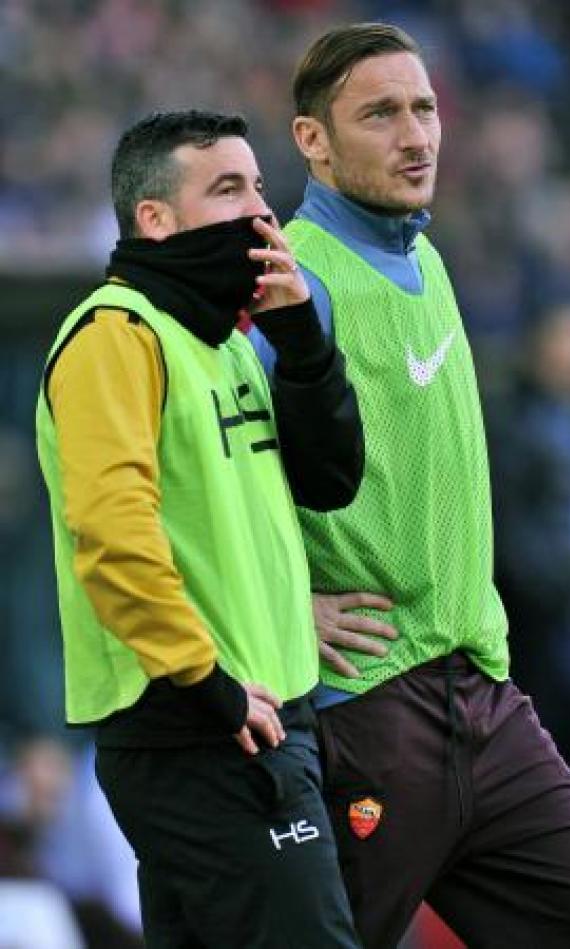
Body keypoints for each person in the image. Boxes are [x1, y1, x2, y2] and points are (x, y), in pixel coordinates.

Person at [250, 22, 570, 949]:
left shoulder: (428, 256)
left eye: (425, 109)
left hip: (484, 689)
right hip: (368, 706)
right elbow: (209, 481)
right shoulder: (292, 286)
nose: (416, 136)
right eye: (381, 114)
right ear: (312, 140)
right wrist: (285, 604)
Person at [35, 109, 364, 949]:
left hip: (259, 716)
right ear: (155, 217)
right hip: (204, 721)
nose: (260, 211)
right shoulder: (115, 335)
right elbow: (113, 535)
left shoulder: (223, 341)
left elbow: (330, 482)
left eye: (258, 186)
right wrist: (208, 681)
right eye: (227, 189)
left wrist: (301, 341)